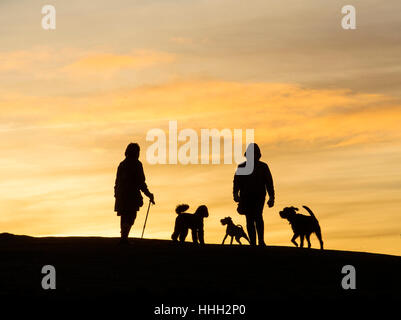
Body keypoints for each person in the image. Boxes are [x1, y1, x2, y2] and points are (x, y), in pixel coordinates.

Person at [233, 143, 275, 246]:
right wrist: (235, 194)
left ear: (258, 155)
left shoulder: (263, 167)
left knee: (258, 217)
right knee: (250, 219)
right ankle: (253, 242)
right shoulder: (242, 166)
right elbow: (237, 182)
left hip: (258, 197)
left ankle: (260, 241)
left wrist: (272, 197)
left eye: (255, 154)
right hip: (246, 197)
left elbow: (269, 182)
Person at [114, 143, 155, 244]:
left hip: (121, 195)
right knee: (131, 216)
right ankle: (124, 238)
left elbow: (117, 181)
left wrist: (116, 194)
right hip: (131, 195)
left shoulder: (122, 164)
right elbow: (141, 182)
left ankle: (124, 238)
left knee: (124, 216)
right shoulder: (137, 164)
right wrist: (149, 194)